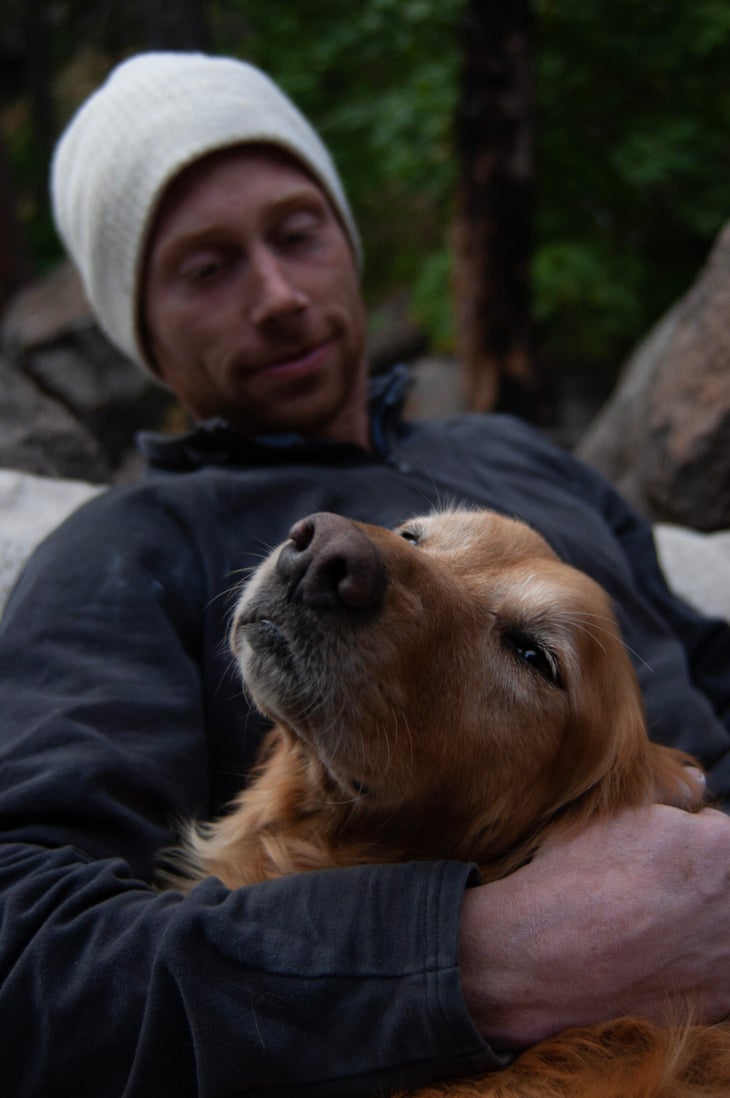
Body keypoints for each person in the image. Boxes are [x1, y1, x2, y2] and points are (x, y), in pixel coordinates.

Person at [0, 50, 728, 1098]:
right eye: (207, 268)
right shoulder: (132, 543)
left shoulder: (520, 455)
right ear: (143, 334)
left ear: (344, 238)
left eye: (297, 234)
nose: (281, 294)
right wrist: (484, 959)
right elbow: (26, 954)